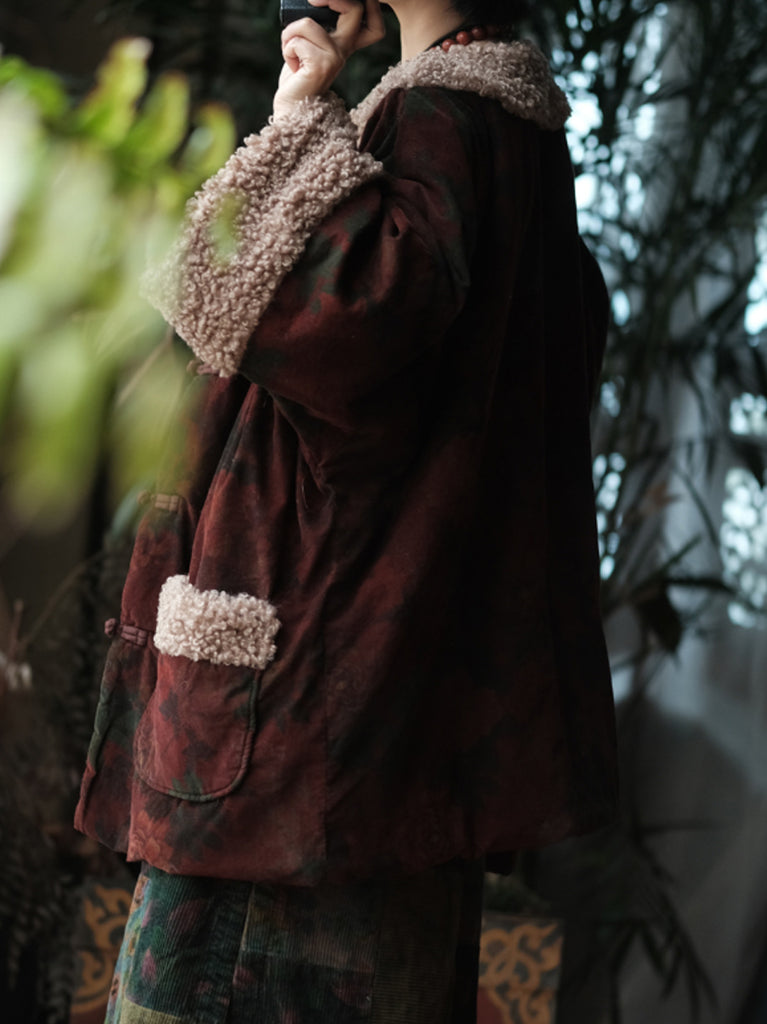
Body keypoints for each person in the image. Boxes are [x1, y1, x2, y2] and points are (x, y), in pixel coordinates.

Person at [75, 0, 618, 1020]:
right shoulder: (510, 133)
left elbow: (304, 317)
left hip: (297, 749)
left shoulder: (439, 120)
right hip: (379, 737)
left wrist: (299, 121)